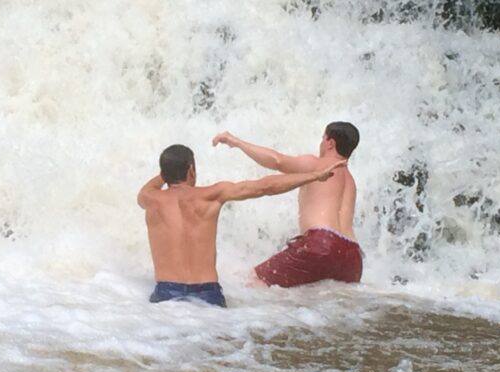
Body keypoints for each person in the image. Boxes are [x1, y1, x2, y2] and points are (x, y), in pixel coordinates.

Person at [137, 144, 345, 307]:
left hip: (166, 294)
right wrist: (315, 176)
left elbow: (151, 186)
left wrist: (167, 170)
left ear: (164, 172)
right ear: (191, 169)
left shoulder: (150, 199)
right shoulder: (211, 195)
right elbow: (265, 187)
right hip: (207, 294)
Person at [212, 122, 362, 288]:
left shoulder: (317, 165)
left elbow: (277, 161)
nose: (320, 144)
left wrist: (236, 142)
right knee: (313, 296)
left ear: (330, 143)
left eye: (322, 139)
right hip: (352, 256)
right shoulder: (351, 181)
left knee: (256, 280)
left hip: (322, 243)